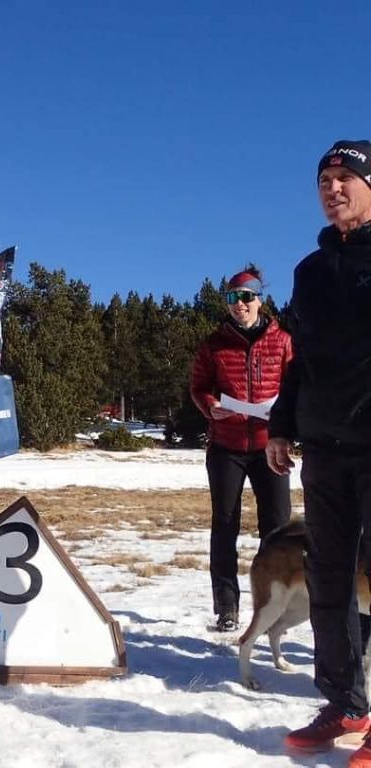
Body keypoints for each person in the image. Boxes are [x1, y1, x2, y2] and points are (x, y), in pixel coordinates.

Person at [267, 140, 371, 763]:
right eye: (324, 179)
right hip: (325, 447)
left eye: (347, 177)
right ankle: (345, 704)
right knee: (327, 579)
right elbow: (298, 359)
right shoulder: (309, 270)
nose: (334, 188)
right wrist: (282, 425)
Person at [189, 266, 293, 632]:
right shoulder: (213, 344)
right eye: (233, 298)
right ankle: (227, 607)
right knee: (225, 524)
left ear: (259, 300)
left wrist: (288, 426)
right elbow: (199, 386)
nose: (240, 305)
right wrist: (209, 405)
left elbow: (294, 386)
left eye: (247, 297)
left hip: (270, 447)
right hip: (226, 448)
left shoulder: (282, 341)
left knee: (278, 528)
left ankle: (274, 603)